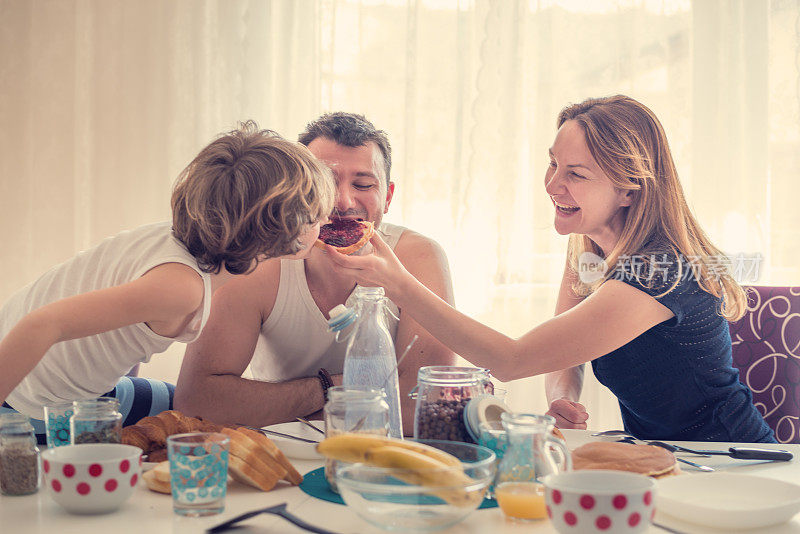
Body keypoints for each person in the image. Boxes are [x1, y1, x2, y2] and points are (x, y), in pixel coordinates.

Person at [325, 95, 776, 443]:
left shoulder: (661, 272)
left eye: (576, 174)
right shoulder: (590, 248)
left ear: (629, 190)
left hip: (730, 462)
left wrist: (398, 282)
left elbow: (512, 359)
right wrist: (564, 398)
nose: (552, 184)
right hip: (664, 458)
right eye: (553, 163)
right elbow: (565, 351)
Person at [0, 121, 335, 438]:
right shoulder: (182, 288)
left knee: (187, 419)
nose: (325, 218)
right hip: (35, 405)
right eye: (312, 214)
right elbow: (41, 325)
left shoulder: (180, 239)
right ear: (276, 229)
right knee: (200, 424)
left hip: (64, 382)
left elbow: (123, 335)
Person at [174, 112, 457, 434]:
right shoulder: (260, 258)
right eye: (324, 183)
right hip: (280, 452)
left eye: (363, 184)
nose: (343, 201)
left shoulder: (419, 258)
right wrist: (334, 387)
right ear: (298, 189)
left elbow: (425, 406)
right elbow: (196, 401)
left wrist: (272, 403)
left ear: (388, 197)